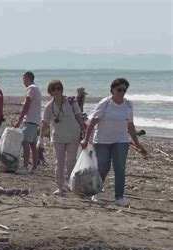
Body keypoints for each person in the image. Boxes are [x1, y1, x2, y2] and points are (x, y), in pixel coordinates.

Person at [81, 78, 147, 207]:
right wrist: (85, 138)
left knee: (120, 168)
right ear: (112, 90)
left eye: (124, 90)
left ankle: (119, 197)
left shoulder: (128, 104)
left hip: (121, 140)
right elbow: (93, 122)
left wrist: (137, 144)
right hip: (102, 140)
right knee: (103, 167)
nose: (122, 92)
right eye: (119, 89)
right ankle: (96, 192)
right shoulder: (105, 103)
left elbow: (130, 126)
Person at [38, 80, 86, 195]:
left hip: (73, 135)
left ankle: (72, 185)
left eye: (59, 88)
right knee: (59, 163)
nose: (56, 91)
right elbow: (44, 123)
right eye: (54, 89)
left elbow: (79, 115)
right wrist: (40, 138)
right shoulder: (49, 106)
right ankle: (60, 187)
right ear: (50, 92)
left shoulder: (71, 101)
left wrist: (84, 130)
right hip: (58, 137)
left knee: (71, 162)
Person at [14, 71, 41, 174]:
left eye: (24, 79)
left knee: (25, 142)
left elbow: (27, 103)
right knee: (32, 144)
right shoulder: (37, 89)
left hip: (30, 120)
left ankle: (25, 167)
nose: (23, 82)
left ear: (28, 78)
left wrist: (20, 119)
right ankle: (34, 166)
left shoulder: (31, 88)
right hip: (35, 120)